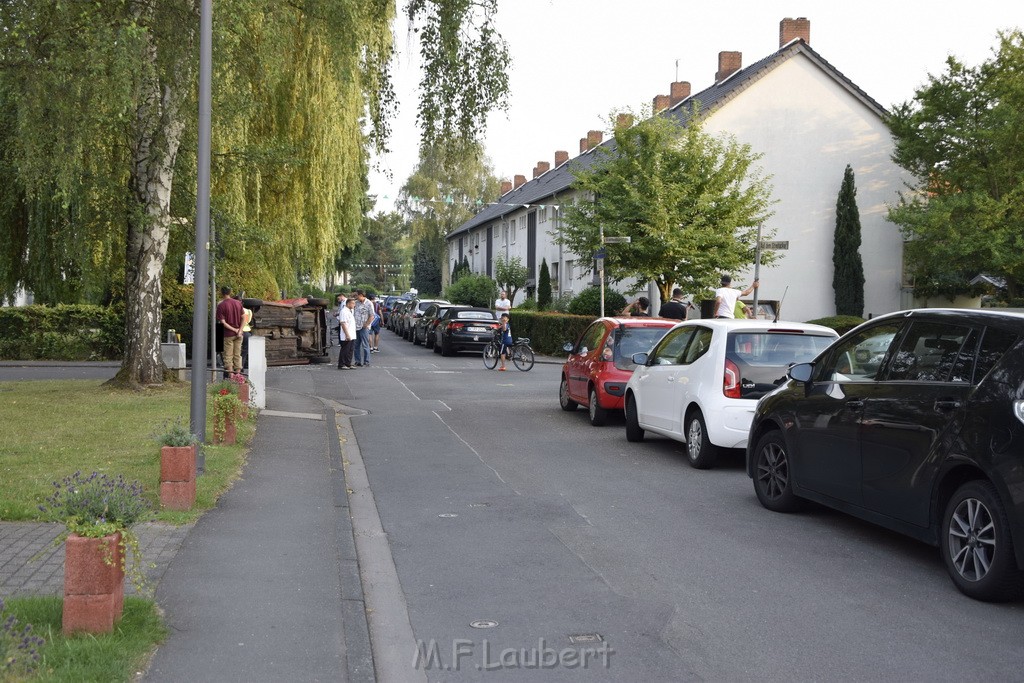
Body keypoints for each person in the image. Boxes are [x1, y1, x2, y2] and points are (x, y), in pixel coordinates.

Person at [216, 285, 244, 377]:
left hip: (227, 334)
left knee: (228, 355)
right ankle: (239, 375)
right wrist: (240, 330)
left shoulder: (221, 305)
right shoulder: (238, 303)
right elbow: (244, 317)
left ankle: (231, 376)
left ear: (221, 293)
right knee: (237, 354)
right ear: (230, 292)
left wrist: (234, 329)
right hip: (239, 334)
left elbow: (222, 322)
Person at [353, 289, 374, 366]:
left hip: (364, 327)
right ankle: (357, 361)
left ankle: (366, 361)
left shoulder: (369, 303)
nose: (356, 297)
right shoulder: (356, 303)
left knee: (365, 345)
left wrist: (367, 324)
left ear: (361, 295)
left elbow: (372, 315)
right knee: (356, 345)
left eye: (356, 295)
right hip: (356, 327)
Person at [337, 297, 357, 369]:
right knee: (345, 349)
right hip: (347, 334)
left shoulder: (349, 311)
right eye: (353, 303)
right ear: (348, 303)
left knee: (350, 350)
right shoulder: (344, 311)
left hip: (352, 334)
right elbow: (343, 323)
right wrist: (347, 334)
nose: (354, 305)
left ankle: (348, 363)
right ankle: (341, 364)